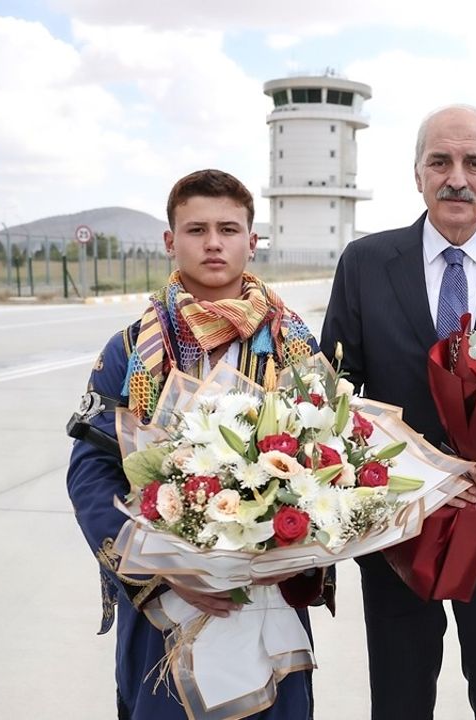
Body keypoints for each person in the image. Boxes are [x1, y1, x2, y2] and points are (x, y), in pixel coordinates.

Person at [320, 104, 476, 720]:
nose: (456, 177)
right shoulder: (364, 263)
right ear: (418, 174)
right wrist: (401, 478)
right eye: (440, 161)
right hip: (396, 526)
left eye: (473, 163)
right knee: (400, 700)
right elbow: (330, 395)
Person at [66, 169, 323, 719]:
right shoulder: (131, 349)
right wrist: (160, 573)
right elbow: (91, 472)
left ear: (252, 242)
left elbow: (330, 464)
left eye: (228, 229)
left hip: (270, 598)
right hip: (164, 607)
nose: (213, 243)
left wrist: (297, 558)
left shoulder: (295, 347)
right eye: (196, 229)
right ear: (170, 241)